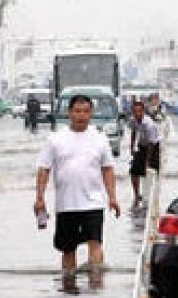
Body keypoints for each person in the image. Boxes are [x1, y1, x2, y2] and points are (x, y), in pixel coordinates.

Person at [34, 94, 121, 279]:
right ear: (69, 113)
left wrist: (112, 197)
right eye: (77, 111)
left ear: (91, 114)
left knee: (95, 244)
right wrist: (40, 198)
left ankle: (97, 289)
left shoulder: (100, 138)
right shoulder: (55, 139)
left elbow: (108, 170)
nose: (81, 115)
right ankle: (68, 290)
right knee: (68, 249)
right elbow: (44, 170)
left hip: (93, 203)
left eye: (86, 111)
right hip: (66, 205)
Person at [128, 99, 161, 208]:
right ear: (133, 112)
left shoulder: (149, 124)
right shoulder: (133, 121)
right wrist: (132, 147)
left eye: (140, 111)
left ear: (143, 112)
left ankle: (151, 195)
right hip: (142, 146)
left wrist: (147, 161)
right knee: (133, 171)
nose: (137, 114)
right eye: (135, 112)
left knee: (151, 171)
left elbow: (151, 144)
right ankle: (137, 194)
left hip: (153, 147)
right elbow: (133, 133)